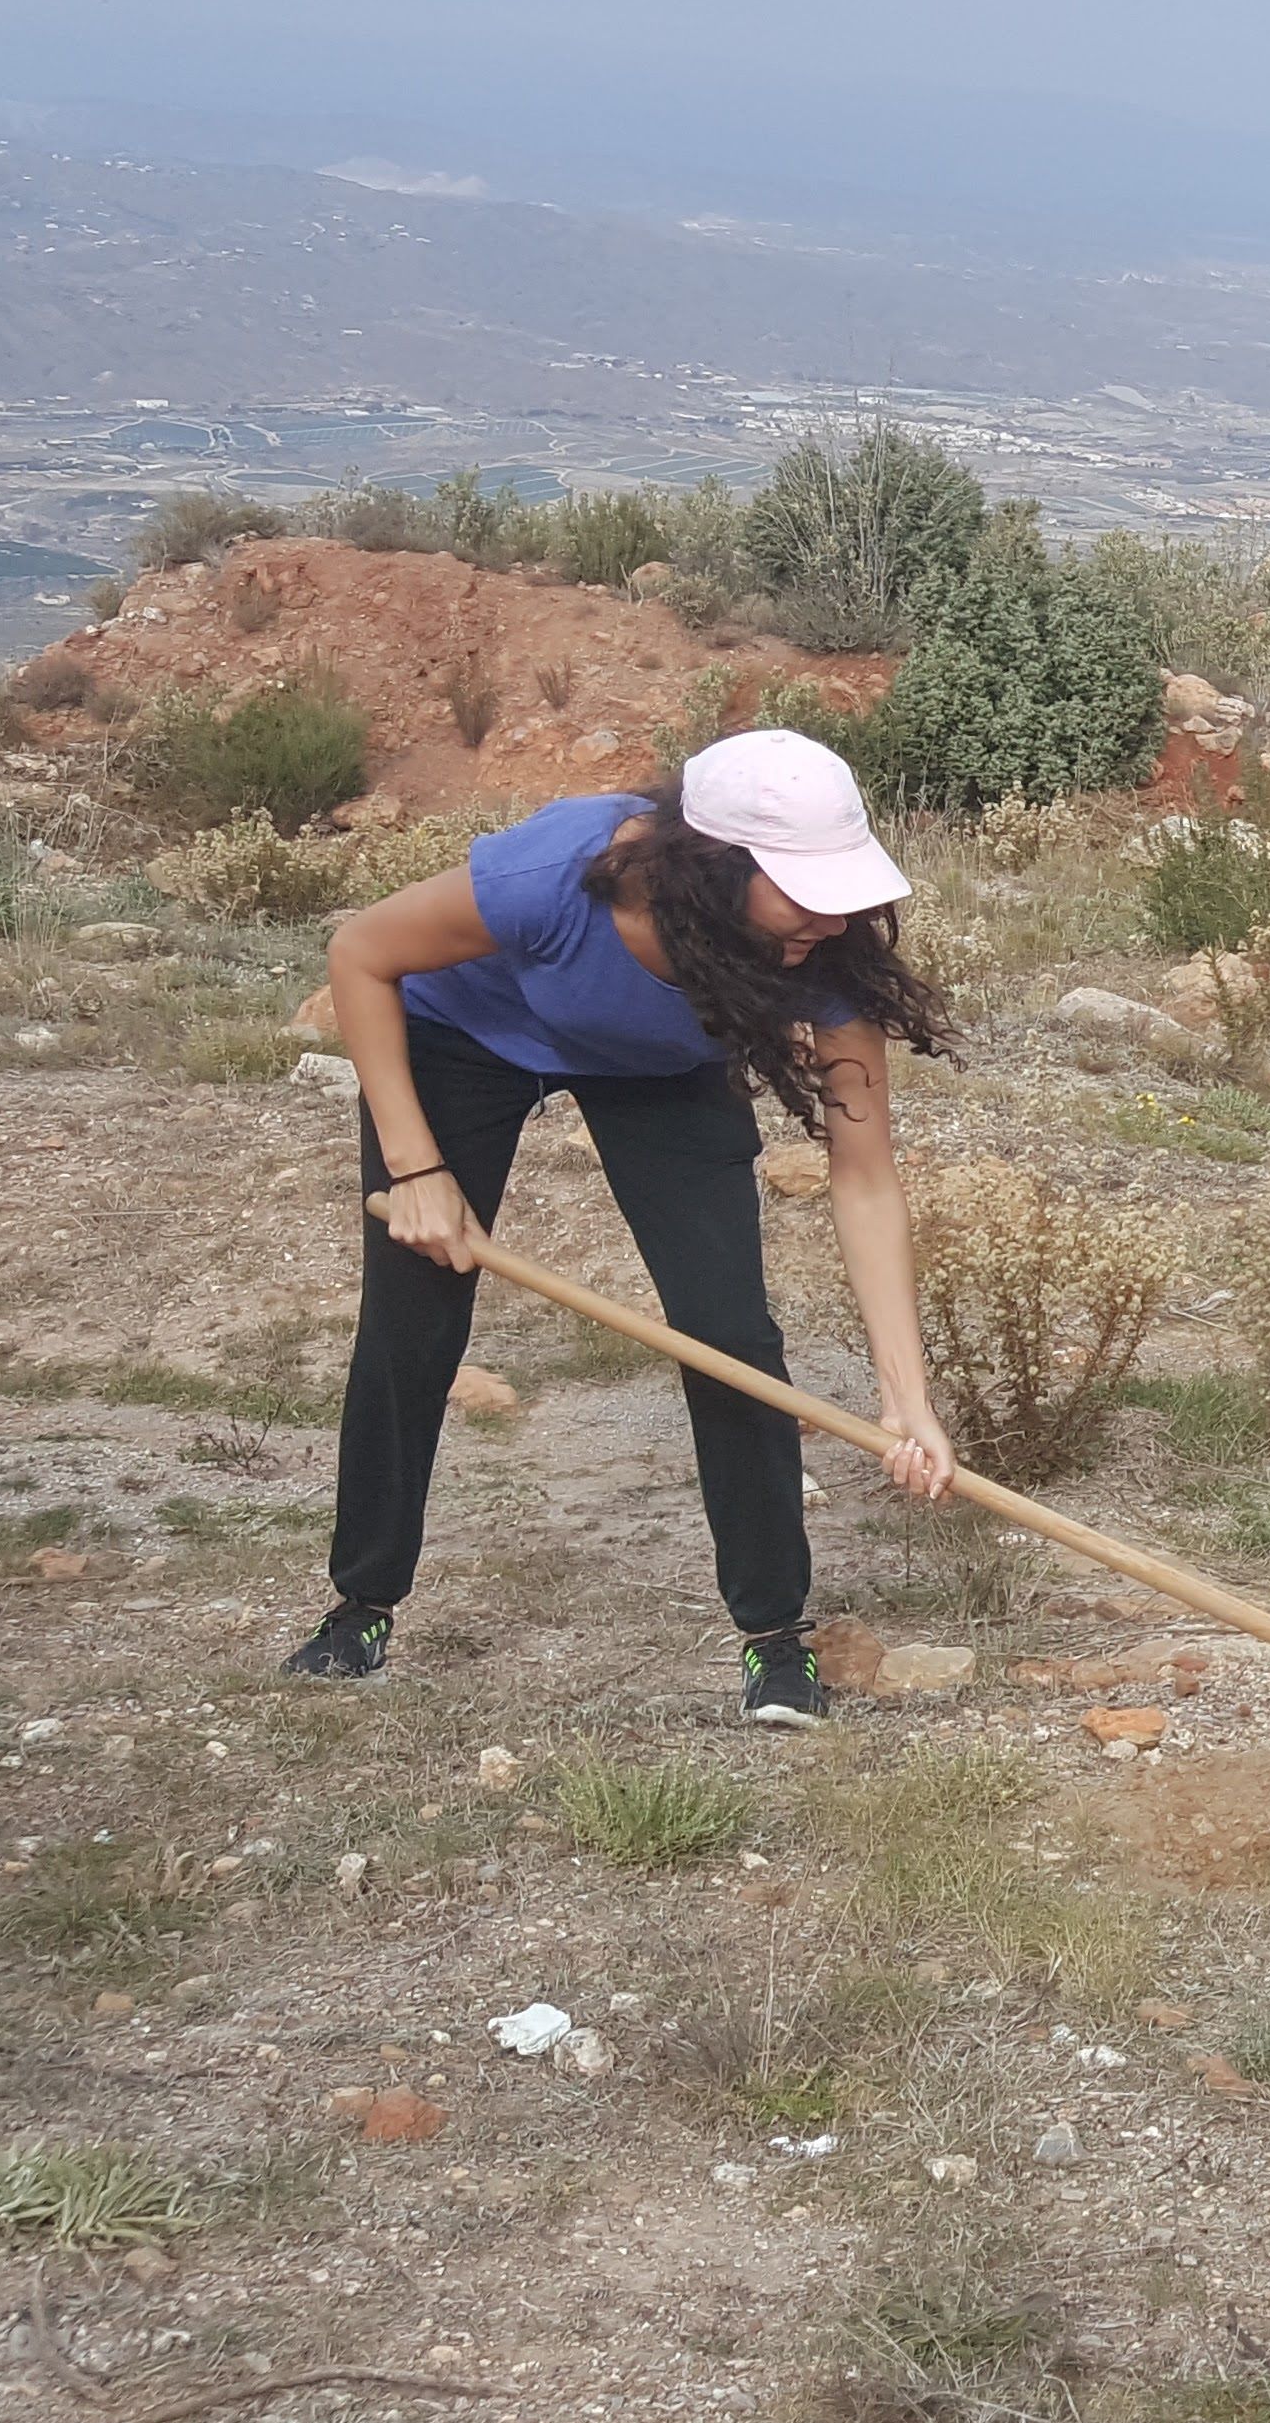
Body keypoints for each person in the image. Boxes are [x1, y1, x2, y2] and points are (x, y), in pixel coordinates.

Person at [293, 731, 964, 1726]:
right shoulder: (551, 882)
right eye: (800, 889)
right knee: (414, 1321)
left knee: (729, 1334)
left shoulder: (822, 952)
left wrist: (905, 1397)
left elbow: (864, 1179)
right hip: (459, 1040)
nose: (829, 914)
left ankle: (776, 1642)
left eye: (840, 889)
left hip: (658, 1072)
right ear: (708, 866)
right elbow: (360, 954)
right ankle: (361, 1606)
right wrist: (416, 1166)